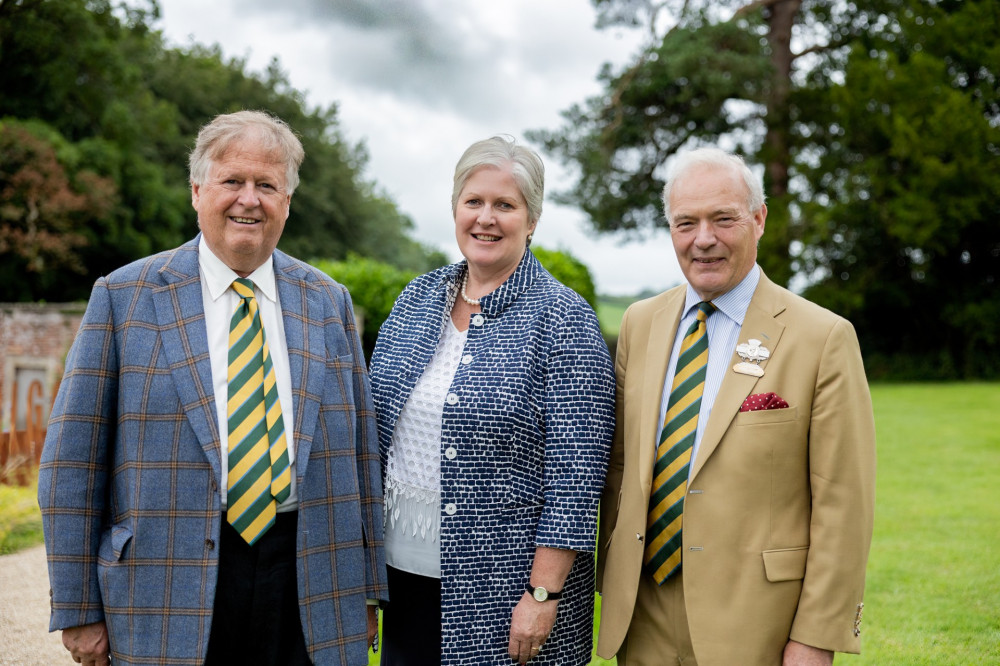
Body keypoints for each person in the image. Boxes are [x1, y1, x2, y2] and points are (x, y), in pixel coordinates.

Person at [37, 110, 387, 666]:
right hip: (166, 581)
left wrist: (367, 587)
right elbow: (71, 462)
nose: (249, 199)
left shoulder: (329, 302)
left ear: (288, 202)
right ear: (197, 191)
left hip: (309, 574)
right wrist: (78, 606)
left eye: (267, 185)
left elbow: (361, 453)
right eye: (233, 181)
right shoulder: (124, 297)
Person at [596, 147, 877, 665]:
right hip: (642, 615)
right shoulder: (639, 323)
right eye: (686, 223)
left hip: (757, 622)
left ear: (759, 219)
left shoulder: (823, 337)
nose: (703, 239)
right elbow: (617, 467)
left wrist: (816, 637)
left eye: (723, 219)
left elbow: (843, 504)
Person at [368, 135, 615, 665]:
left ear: (532, 219)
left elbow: (576, 478)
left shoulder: (563, 319)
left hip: (508, 598)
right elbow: (372, 436)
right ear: (455, 209)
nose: (486, 218)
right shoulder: (416, 298)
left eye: (505, 205)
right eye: (473, 202)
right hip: (402, 581)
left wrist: (543, 595)